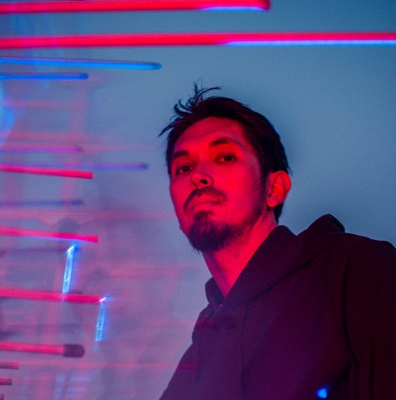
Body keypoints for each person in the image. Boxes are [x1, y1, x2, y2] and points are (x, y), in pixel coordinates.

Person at [158, 86, 396, 400]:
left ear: (274, 189)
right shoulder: (206, 341)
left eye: (225, 157)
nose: (198, 176)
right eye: (184, 168)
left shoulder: (356, 271)